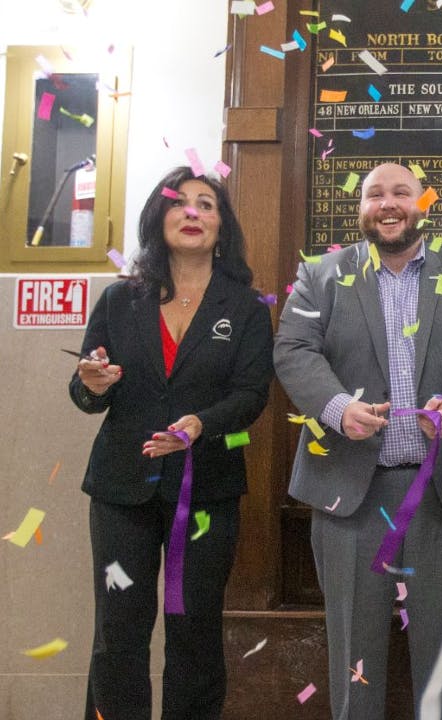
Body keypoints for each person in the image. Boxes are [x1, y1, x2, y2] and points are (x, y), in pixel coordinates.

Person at [274, 162, 442, 719]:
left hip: (440, 496)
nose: (388, 203)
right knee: (354, 656)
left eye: (401, 192)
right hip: (349, 496)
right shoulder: (319, 276)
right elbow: (293, 349)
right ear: (360, 209)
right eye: (374, 194)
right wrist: (338, 409)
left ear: (421, 204)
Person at [69, 166, 274, 720]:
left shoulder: (247, 308)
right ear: (158, 219)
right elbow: (86, 391)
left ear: (222, 226)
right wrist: (92, 384)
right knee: (118, 631)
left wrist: (200, 424)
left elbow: (252, 395)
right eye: (179, 202)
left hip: (206, 492)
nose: (192, 213)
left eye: (206, 204)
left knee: (195, 631)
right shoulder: (119, 300)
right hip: (121, 490)